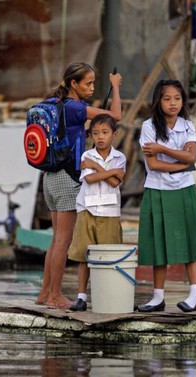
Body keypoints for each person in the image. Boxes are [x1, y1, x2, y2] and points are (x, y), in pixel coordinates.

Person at [35, 62, 122, 309]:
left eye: (95, 83)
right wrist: (114, 87)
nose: (93, 88)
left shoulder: (54, 103)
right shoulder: (73, 107)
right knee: (64, 240)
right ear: (73, 84)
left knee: (56, 240)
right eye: (88, 83)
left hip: (50, 177)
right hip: (66, 177)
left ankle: (44, 293)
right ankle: (55, 296)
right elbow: (115, 117)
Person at [136, 79, 196, 313]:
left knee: (191, 241)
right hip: (157, 189)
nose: (173, 103)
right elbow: (154, 165)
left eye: (177, 98)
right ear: (158, 101)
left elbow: (192, 158)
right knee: (159, 243)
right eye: (167, 98)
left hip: (185, 189)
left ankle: (194, 295)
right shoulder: (148, 126)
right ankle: (158, 297)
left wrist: (163, 149)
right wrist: (181, 161)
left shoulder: (188, 125)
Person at [66, 114, 126, 311]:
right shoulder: (86, 156)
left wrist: (97, 167)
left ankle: (109, 296)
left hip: (109, 211)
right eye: (96, 133)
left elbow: (116, 183)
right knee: (85, 254)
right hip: (88, 209)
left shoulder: (120, 157)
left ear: (114, 134)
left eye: (105, 133)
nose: (100, 137)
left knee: (109, 255)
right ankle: (82, 297)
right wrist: (110, 172)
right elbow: (92, 180)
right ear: (90, 135)